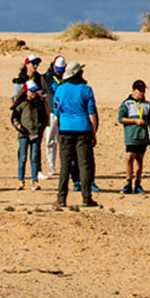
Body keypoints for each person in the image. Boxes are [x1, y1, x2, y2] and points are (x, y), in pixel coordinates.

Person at [51, 61, 99, 208]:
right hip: (83, 129)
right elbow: (91, 113)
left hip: (65, 129)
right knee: (84, 164)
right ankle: (86, 197)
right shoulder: (86, 89)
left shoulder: (60, 89)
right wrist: (93, 132)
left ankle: (61, 197)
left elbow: (57, 111)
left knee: (65, 164)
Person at [118, 80, 150, 194]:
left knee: (139, 159)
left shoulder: (148, 105)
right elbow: (121, 119)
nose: (142, 93)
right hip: (131, 136)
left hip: (143, 137)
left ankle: (138, 183)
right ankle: (128, 182)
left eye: (143, 91)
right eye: (139, 90)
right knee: (129, 157)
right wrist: (135, 121)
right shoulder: (126, 104)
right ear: (133, 90)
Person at [11, 79, 48, 191]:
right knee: (22, 158)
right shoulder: (21, 105)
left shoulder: (39, 104)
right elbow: (14, 118)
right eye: (31, 91)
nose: (33, 94)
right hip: (24, 135)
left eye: (34, 91)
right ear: (26, 91)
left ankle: (35, 181)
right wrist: (19, 128)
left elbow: (44, 117)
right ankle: (20, 180)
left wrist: (40, 129)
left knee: (34, 158)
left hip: (36, 134)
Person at [44, 55, 67, 178]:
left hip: (65, 112)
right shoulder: (46, 78)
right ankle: (51, 165)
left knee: (63, 139)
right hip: (52, 111)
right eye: (57, 68)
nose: (59, 71)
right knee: (50, 138)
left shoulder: (67, 77)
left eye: (61, 69)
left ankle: (65, 164)